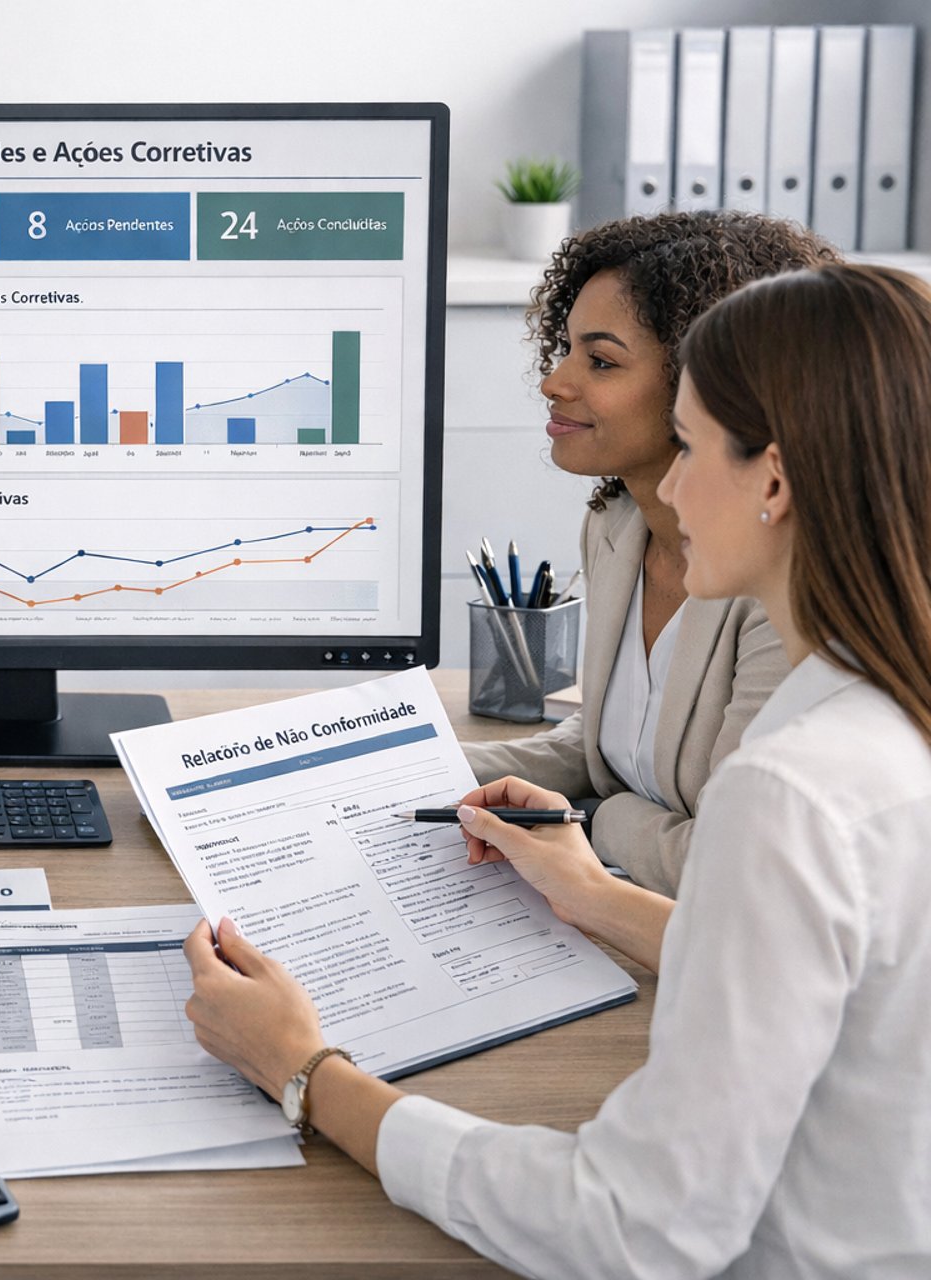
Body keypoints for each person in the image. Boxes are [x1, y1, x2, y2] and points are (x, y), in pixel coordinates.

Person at [186, 263, 931, 1277]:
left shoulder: (787, 793)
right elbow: (798, 971)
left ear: (774, 479)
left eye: (695, 445)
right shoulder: (887, 719)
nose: (666, 486)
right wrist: (590, 894)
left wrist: (306, 1071)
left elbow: (631, 1227)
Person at [463, 211, 837, 894]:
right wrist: (406, 766)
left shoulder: (786, 586)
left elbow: (729, 865)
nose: (555, 381)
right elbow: (610, 742)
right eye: (567, 349)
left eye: (601, 361)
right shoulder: (619, 523)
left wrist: (598, 820)